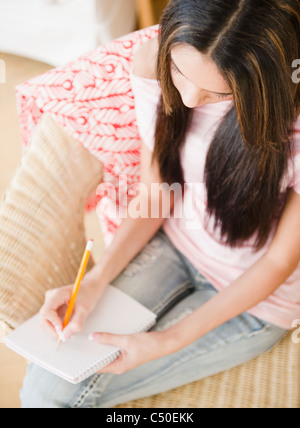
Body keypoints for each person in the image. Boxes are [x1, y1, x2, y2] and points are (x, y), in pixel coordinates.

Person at [21, 0, 300, 408]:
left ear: (265, 83)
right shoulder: (153, 60)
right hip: (173, 248)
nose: (187, 100)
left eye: (219, 92)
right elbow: (156, 192)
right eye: (180, 73)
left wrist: (168, 341)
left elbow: (278, 263)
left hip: (257, 300)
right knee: (43, 389)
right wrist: (95, 283)